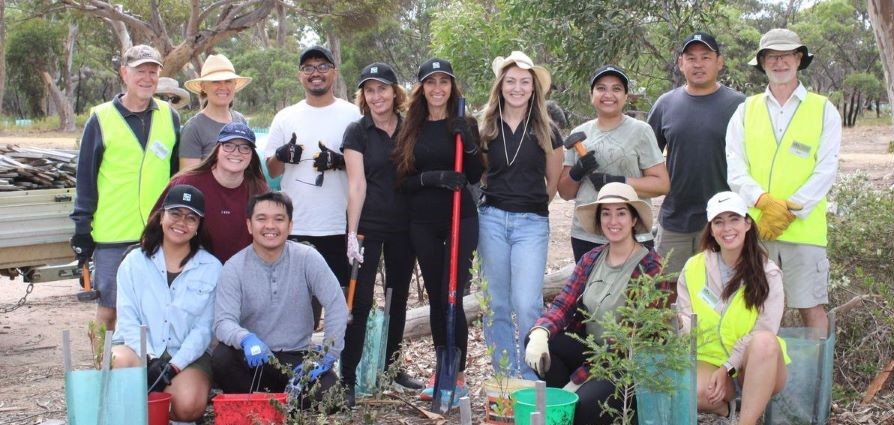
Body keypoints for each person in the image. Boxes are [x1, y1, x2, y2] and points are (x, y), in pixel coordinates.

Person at [726, 28, 840, 334]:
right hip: (756, 228)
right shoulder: (745, 110)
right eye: (772, 56)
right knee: (754, 306)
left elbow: (826, 169)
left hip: (805, 232)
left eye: (786, 55)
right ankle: (757, 378)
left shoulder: (823, 109)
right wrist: (763, 201)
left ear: (799, 59)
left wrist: (789, 209)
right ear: (762, 62)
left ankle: (816, 380)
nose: (779, 63)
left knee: (810, 306)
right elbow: (735, 167)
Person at [523, 182, 667, 424]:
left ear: (633, 219)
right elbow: (563, 303)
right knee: (539, 340)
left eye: (621, 213)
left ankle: (573, 404)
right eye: (606, 213)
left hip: (626, 365)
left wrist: (576, 381)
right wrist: (540, 331)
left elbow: (629, 342)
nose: (614, 221)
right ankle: (562, 408)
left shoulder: (650, 267)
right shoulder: (591, 258)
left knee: (584, 404)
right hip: (591, 351)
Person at [70, 44, 180, 331]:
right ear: (124, 74)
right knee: (109, 312)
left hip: (158, 233)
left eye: (153, 71)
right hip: (113, 234)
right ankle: (101, 373)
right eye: (140, 71)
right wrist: (82, 228)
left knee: (153, 311)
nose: (147, 78)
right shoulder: (101, 118)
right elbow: (86, 178)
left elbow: (176, 174)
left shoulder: (169, 116)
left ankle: (143, 373)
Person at [392, 57, 483, 402]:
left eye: (444, 82)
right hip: (423, 224)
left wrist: (469, 144)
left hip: (461, 220)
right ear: (421, 88)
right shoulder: (410, 127)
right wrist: (433, 178)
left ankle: (456, 377)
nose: (437, 88)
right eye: (431, 82)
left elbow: (474, 174)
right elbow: (401, 181)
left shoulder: (464, 123)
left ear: (452, 87)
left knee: (453, 297)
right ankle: (439, 373)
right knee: (435, 298)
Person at [212, 192, 348, 400]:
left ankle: (282, 405)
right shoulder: (234, 267)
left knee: (335, 396)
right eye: (261, 219)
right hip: (255, 358)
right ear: (249, 225)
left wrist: (328, 354)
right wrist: (245, 338)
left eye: (279, 219)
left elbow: (337, 305)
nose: (270, 226)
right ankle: (255, 406)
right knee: (223, 358)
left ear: (290, 225)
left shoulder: (307, 258)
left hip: (298, 359)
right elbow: (223, 322)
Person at [477, 51, 563, 380]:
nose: (517, 88)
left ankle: (529, 377)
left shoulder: (547, 129)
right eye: (510, 81)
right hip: (493, 220)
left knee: (527, 302)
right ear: (500, 86)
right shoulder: (486, 125)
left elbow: (553, 182)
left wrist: (530, 204)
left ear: (533, 88)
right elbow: (484, 174)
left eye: (524, 82)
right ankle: (503, 374)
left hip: (531, 224)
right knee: (496, 302)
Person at [265, 45, 362, 326]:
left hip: (338, 226)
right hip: (297, 226)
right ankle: (299, 367)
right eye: (308, 68)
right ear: (300, 76)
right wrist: (282, 155)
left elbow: (366, 166)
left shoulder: (353, 114)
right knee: (298, 311)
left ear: (334, 72)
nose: (315, 73)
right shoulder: (285, 117)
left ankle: (339, 366)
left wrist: (341, 161)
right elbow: (272, 169)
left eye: (322, 66)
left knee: (341, 309)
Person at [342, 62, 423, 398]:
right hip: (369, 227)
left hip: (404, 226)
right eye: (370, 90)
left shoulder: (409, 128)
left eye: (382, 89)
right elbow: (356, 184)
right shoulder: (357, 132)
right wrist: (351, 232)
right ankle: (348, 377)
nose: (376, 96)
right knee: (359, 303)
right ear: (364, 96)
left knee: (397, 298)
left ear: (394, 92)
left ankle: (392, 368)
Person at [677, 191, 790, 424]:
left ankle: (746, 421)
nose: (727, 228)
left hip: (757, 365)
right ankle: (726, 408)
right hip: (710, 363)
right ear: (711, 228)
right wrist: (675, 326)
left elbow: (766, 329)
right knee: (687, 388)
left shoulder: (768, 273)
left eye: (734, 219)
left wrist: (728, 367)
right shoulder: (694, 267)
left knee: (765, 341)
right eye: (719, 222)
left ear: (748, 223)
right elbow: (686, 318)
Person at [110, 184, 221, 422]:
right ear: (161, 217)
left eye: (191, 218)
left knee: (188, 405)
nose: (182, 223)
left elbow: (204, 329)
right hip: (135, 348)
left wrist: (174, 366)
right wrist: (149, 358)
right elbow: (128, 319)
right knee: (118, 364)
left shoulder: (212, 268)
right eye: (175, 214)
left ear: (199, 226)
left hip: (185, 354)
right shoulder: (134, 262)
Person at [647, 32, 745, 276]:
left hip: (723, 223)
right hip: (674, 221)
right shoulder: (665, 105)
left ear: (719, 62)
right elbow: (647, 160)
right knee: (667, 296)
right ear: (681, 63)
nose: (698, 64)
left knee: (722, 294)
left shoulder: (741, 106)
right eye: (691, 58)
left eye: (705, 57)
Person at [557, 65, 669, 262]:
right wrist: (577, 172)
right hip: (586, 234)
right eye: (601, 88)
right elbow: (565, 193)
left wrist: (618, 181)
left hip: (632, 234)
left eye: (616, 89)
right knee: (588, 292)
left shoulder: (641, 131)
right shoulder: (581, 132)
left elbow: (661, 184)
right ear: (591, 94)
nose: (608, 94)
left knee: (634, 292)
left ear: (626, 96)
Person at [155, 122, 269, 264]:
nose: (236, 152)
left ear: (252, 155)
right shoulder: (186, 182)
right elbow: (155, 226)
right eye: (228, 145)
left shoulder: (260, 191)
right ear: (217, 150)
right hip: (192, 272)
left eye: (245, 148)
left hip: (242, 274)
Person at [180, 54, 252, 169]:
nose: (222, 86)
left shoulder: (240, 121)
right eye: (216, 81)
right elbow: (187, 180)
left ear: (235, 85)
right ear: (203, 86)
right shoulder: (194, 128)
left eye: (228, 81)